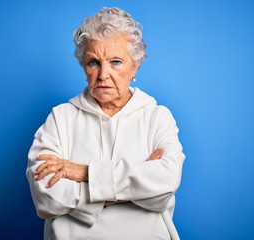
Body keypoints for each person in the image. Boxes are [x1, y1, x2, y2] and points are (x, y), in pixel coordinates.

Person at [26, 7, 185, 240]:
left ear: (135, 66)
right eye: (93, 62)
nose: (103, 75)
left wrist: (82, 172)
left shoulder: (157, 117)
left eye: (116, 62)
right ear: (83, 66)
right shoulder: (60, 118)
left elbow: (165, 185)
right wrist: (137, 183)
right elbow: (46, 197)